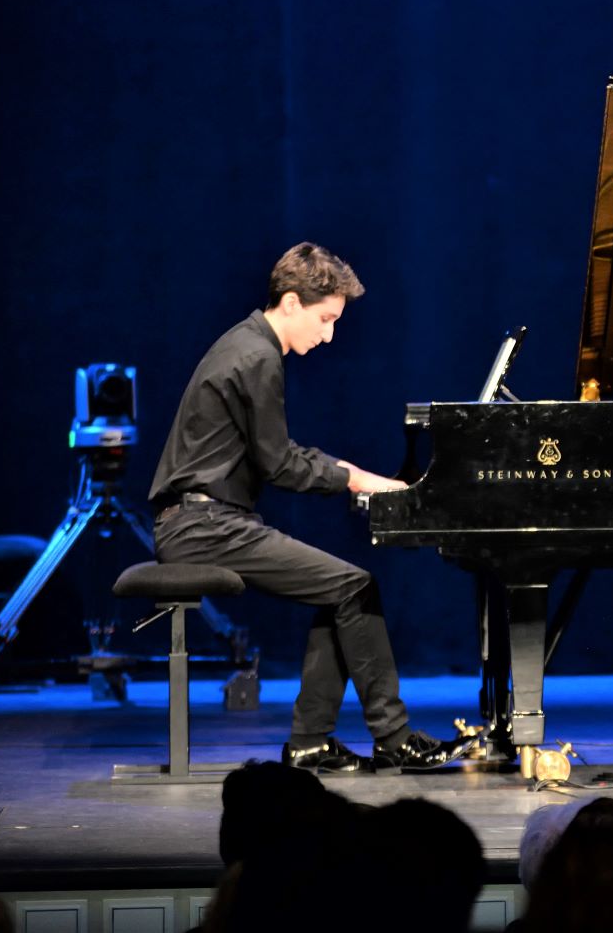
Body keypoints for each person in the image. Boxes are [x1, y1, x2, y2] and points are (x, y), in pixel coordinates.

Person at [149, 242, 461, 773]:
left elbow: (277, 455)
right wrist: (358, 479)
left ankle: (311, 742)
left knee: (341, 589)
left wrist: (352, 475)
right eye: (326, 319)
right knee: (355, 587)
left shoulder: (246, 343)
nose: (329, 335)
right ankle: (392, 738)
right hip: (201, 526)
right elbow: (280, 464)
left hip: (205, 520)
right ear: (291, 302)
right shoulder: (257, 356)